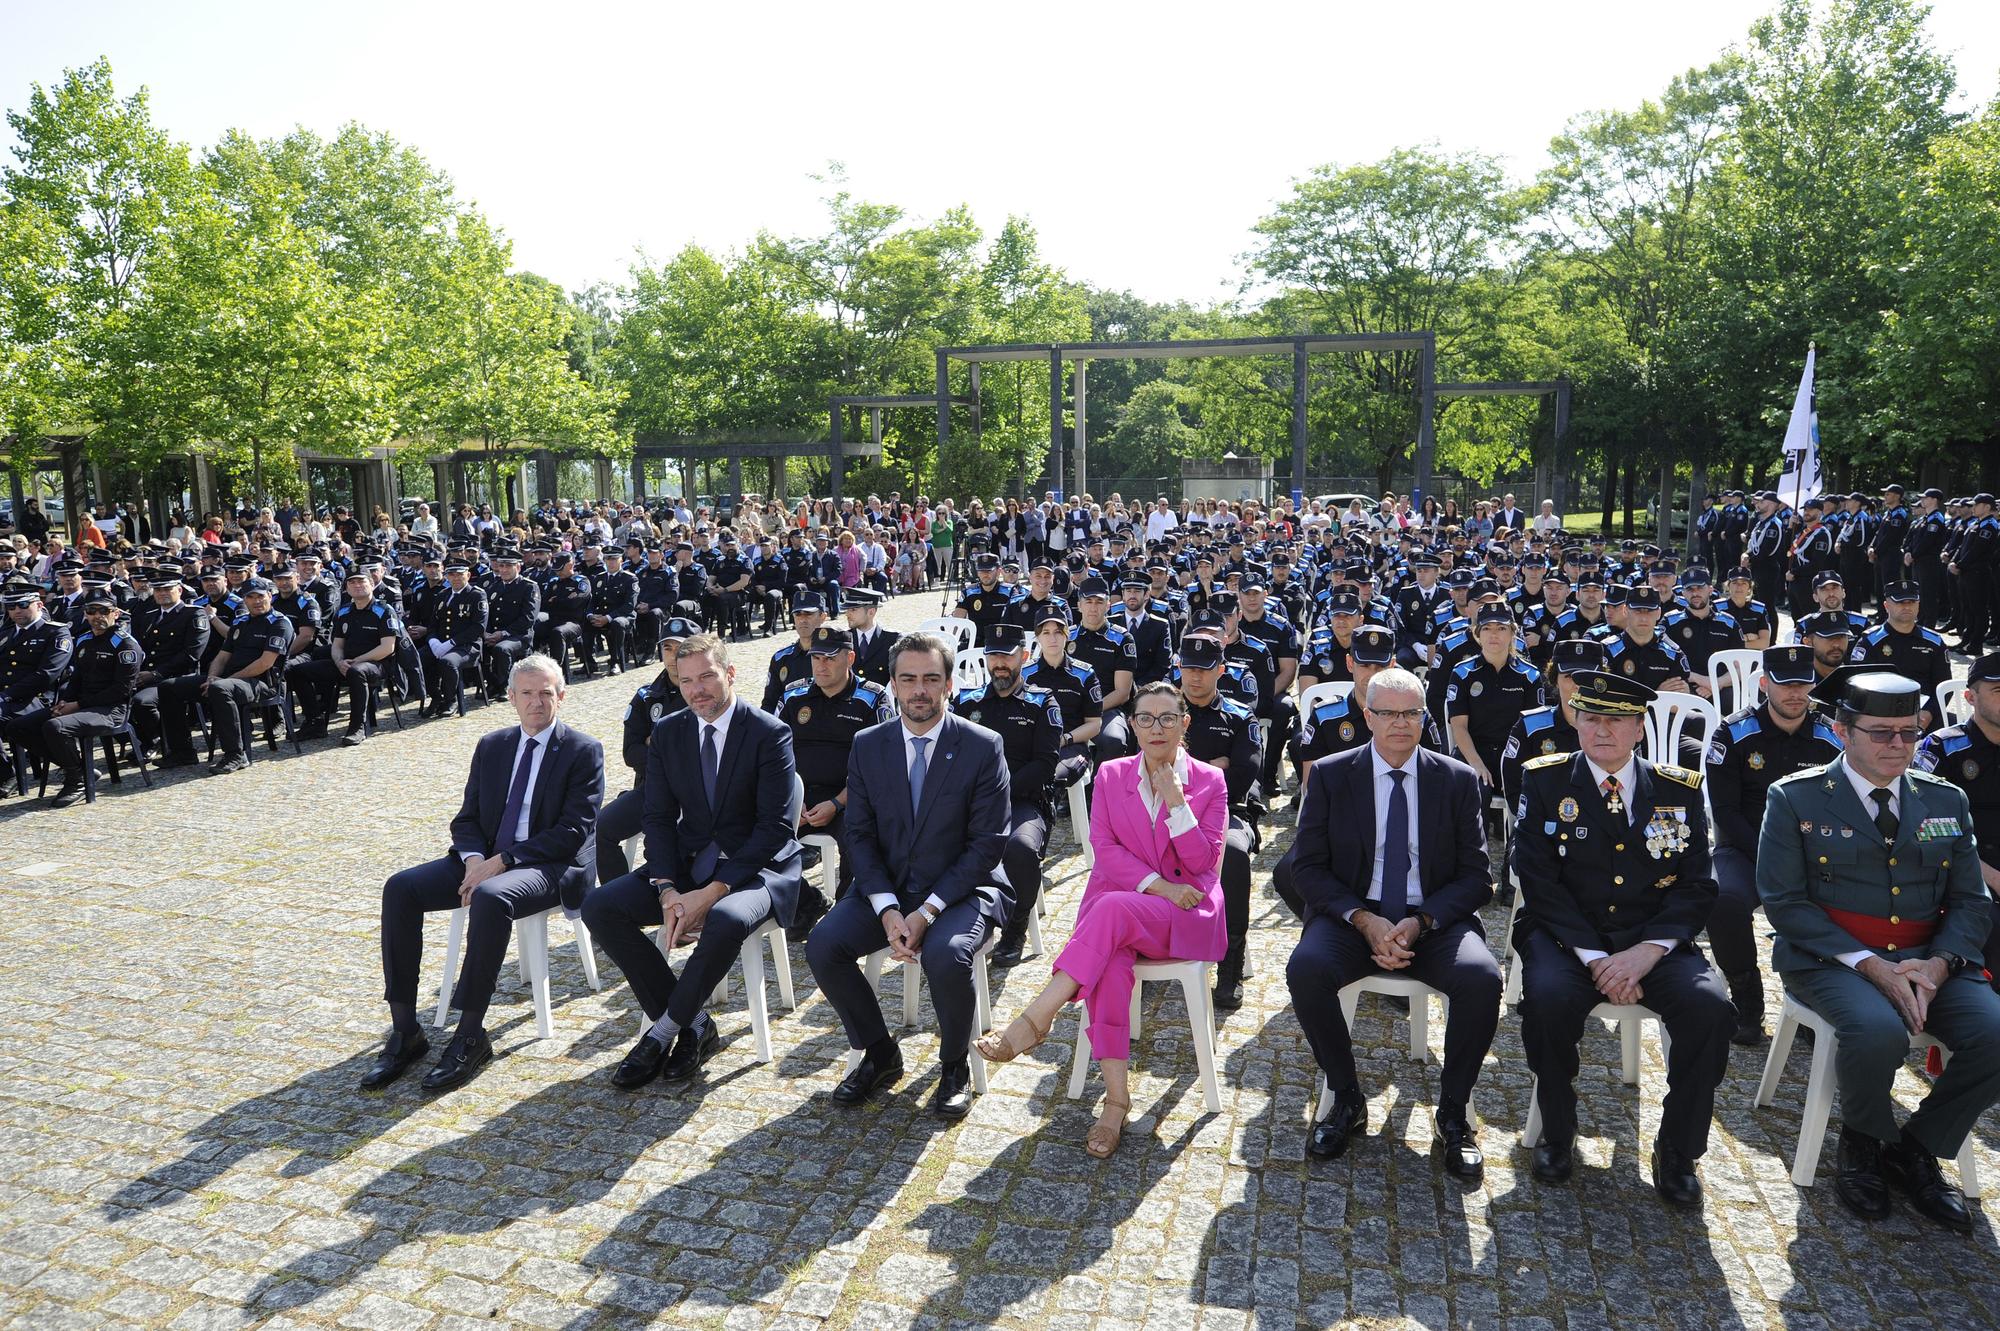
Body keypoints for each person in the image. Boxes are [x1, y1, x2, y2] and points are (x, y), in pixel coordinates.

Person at [1757, 670, 1998, 1232]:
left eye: (1910, 734)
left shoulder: (1945, 799)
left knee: (1994, 1035)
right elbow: (1785, 903)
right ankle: (1861, 1142)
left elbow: (1970, 898)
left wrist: (1939, 963)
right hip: (1833, 959)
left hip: (1930, 959)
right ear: (1842, 730)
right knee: (1876, 1030)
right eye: (1881, 733)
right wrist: (1870, 965)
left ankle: (1915, 1146)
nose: (1898, 747)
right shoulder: (1796, 798)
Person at [1509, 669, 1734, 1206]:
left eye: (1615, 720)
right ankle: (1558, 1133)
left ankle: (1678, 1150)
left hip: (1651, 941)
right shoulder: (1544, 781)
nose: (1601, 730)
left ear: (1640, 728)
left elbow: (1698, 886)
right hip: (1568, 939)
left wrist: (1645, 953)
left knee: (1710, 1007)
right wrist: (1595, 958)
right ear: (1576, 721)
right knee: (1547, 1001)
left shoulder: (1679, 788)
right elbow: (1536, 879)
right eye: (1590, 718)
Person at [975, 682, 1228, 1157]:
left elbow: (1199, 863)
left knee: (1110, 910)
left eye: (1168, 718)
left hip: (1186, 913)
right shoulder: (1111, 775)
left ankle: (1036, 1019)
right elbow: (1105, 852)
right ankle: (1116, 1101)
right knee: (1110, 965)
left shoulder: (1209, 782)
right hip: (1131, 908)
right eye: (1146, 718)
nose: (1157, 728)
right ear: (1131, 725)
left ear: (1184, 723)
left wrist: (1177, 800)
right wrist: (1159, 886)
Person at [1286, 667, 1500, 1178]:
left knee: (1483, 978)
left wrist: (1421, 921)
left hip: (1434, 920)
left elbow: (1477, 877)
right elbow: (1306, 867)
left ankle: (1453, 1114)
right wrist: (1363, 920)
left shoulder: (1456, 780)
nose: (1400, 723)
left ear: (1425, 718)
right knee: (1306, 969)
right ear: (1368, 716)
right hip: (1354, 916)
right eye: (1387, 713)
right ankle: (1346, 1097)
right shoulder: (1334, 775)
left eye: (1410, 713)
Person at [363, 655, 603, 1092]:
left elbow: (572, 832)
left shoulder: (582, 750)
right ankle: (405, 1029)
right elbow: (468, 817)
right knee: (400, 888)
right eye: (526, 693)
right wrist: (476, 858)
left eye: (545, 692)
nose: (536, 702)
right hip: (484, 859)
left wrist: (502, 863)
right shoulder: (492, 744)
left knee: (492, 896)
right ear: (510, 698)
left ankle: (471, 1032)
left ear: (561, 696)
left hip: (547, 864)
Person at [585, 634, 805, 1092]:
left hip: (757, 869)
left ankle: (662, 1032)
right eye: (686, 681)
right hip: (687, 864)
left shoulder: (769, 732)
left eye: (707, 676)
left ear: (729, 673)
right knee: (601, 907)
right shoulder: (669, 731)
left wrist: (709, 893)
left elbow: (774, 830)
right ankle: (697, 1024)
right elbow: (658, 818)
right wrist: (667, 889)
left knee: (724, 918)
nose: (697, 689)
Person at [805, 631, 1011, 1118]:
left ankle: (953, 1065)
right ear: (892, 684)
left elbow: (987, 845)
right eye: (909, 679)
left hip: (962, 890)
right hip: (888, 888)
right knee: (823, 945)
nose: (920, 690)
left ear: (949, 684)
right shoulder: (868, 745)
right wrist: (887, 907)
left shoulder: (982, 746)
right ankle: (880, 1054)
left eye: (931, 679)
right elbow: (858, 834)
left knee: (949, 953)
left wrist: (928, 910)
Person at [1701, 645, 1844, 1043]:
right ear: (1765, 685)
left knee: (1846, 900)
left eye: (1804, 684)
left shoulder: (1830, 736)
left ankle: (1811, 998)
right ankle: (1747, 999)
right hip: (1746, 848)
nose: (1795, 693)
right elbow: (1725, 811)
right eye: (1785, 685)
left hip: (1814, 852)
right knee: (1722, 898)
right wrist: (1773, 856)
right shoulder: (1731, 732)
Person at [953, 624, 1063, 968]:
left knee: (1020, 848)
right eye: (993, 655)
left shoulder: (1042, 702)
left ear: (1024, 657)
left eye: (1007, 655)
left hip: (1023, 800)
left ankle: (1014, 930)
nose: (1000, 663)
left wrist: (998, 791)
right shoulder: (967, 702)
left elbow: (1046, 763)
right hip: (972, 802)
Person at [778, 624, 893, 924]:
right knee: (750, 836)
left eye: (830, 658)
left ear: (850, 658)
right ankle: (808, 903)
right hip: (799, 797)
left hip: (853, 797)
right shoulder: (793, 696)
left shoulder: (873, 699)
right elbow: (772, 754)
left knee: (860, 846)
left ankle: (843, 918)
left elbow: (880, 769)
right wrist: (791, 798)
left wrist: (838, 804)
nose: (821, 665)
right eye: (817, 658)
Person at [5, 589, 139, 805]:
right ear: (85, 614)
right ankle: (80, 768)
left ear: (115, 613)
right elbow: (76, 678)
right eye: (91, 611)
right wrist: (65, 701)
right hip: (80, 706)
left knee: (55, 727)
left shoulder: (124, 644)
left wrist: (78, 704)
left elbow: (121, 690)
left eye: (103, 611)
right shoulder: (84, 640)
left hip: (110, 709)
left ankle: (75, 780)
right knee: (17, 727)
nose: (97, 616)